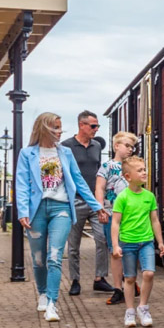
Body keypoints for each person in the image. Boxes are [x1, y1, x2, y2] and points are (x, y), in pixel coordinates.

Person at [16, 112, 107, 322]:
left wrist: (96, 206)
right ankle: (42, 292)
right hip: (36, 210)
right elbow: (21, 184)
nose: (59, 132)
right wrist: (22, 212)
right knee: (38, 260)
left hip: (62, 209)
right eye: (56, 128)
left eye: (60, 128)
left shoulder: (65, 153)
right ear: (45, 129)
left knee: (54, 256)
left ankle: (52, 303)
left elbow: (78, 181)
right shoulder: (27, 154)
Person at [61, 110, 114, 296]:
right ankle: (75, 280)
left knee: (102, 239)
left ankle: (100, 278)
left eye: (97, 126)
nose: (96, 129)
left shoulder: (97, 146)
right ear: (81, 125)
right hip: (75, 201)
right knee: (74, 244)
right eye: (93, 126)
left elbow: (99, 171)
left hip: (95, 201)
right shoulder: (66, 146)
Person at [111, 156, 164, 327]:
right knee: (129, 278)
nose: (144, 172)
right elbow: (115, 222)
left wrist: (161, 242)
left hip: (146, 242)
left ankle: (143, 307)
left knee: (149, 273)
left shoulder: (149, 197)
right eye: (140, 170)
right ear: (128, 177)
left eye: (144, 169)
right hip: (128, 243)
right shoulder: (122, 197)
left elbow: (155, 220)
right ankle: (130, 311)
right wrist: (115, 245)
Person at [95, 131, 137, 305]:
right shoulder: (107, 166)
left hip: (132, 215)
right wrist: (100, 209)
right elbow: (100, 188)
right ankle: (118, 288)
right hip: (112, 213)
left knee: (132, 249)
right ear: (116, 146)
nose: (130, 149)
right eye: (127, 146)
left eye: (132, 147)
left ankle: (131, 283)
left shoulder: (133, 166)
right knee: (115, 251)